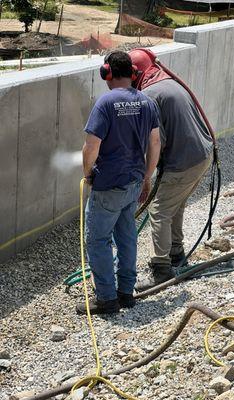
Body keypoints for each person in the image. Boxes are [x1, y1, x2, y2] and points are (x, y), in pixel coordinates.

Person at [76, 51, 161, 315]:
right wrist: (147, 177)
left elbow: (91, 147)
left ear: (107, 73)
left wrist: (89, 174)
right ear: (133, 74)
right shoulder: (147, 103)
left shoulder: (105, 103)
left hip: (109, 185)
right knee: (126, 237)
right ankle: (126, 293)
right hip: (134, 182)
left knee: (98, 241)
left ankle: (106, 299)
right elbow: (155, 143)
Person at [129, 48, 214, 291]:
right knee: (174, 205)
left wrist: (146, 177)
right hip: (201, 155)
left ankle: (161, 270)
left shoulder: (149, 95)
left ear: (135, 74)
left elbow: (157, 143)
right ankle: (176, 252)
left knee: (159, 211)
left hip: (183, 162)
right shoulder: (168, 82)